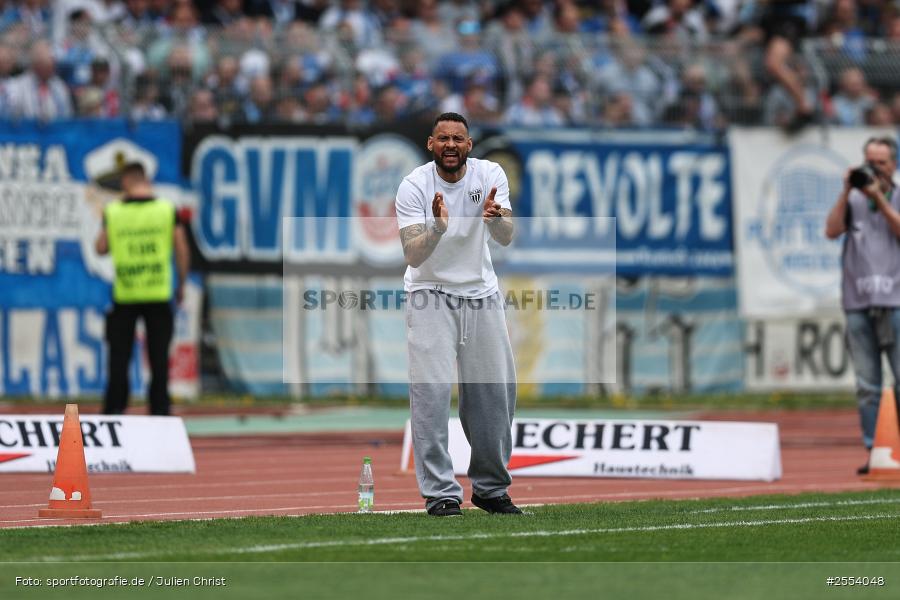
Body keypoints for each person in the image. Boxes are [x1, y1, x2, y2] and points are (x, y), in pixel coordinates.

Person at [395, 112, 521, 516]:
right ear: (431, 145)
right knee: (431, 394)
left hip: (480, 293)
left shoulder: (490, 174)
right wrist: (436, 228)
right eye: (443, 138)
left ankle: (490, 488)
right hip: (429, 293)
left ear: (469, 145)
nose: (451, 145)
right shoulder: (414, 185)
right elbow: (413, 254)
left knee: (494, 395)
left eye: (458, 139)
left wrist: (496, 219)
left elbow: (506, 236)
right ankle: (440, 493)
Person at [825, 137, 900, 474]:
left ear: (893, 165)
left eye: (881, 162)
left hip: (896, 299)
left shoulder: (896, 196)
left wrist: (880, 201)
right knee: (866, 384)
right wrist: (846, 191)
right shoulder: (853, 198)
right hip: (858, 300)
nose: (874, 168)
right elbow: (831, 231)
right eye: (869, 161)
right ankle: (875, 451)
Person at [95, 161, 190, 416]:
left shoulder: (114, 211)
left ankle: (114, 410)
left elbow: (100, 248)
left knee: (119, 360)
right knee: (159, 361)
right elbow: (181, 249)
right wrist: (180, 284)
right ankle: (159, 412)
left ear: (126, 181)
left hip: (125, 295)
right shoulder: (166, 209)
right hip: (158, 293)